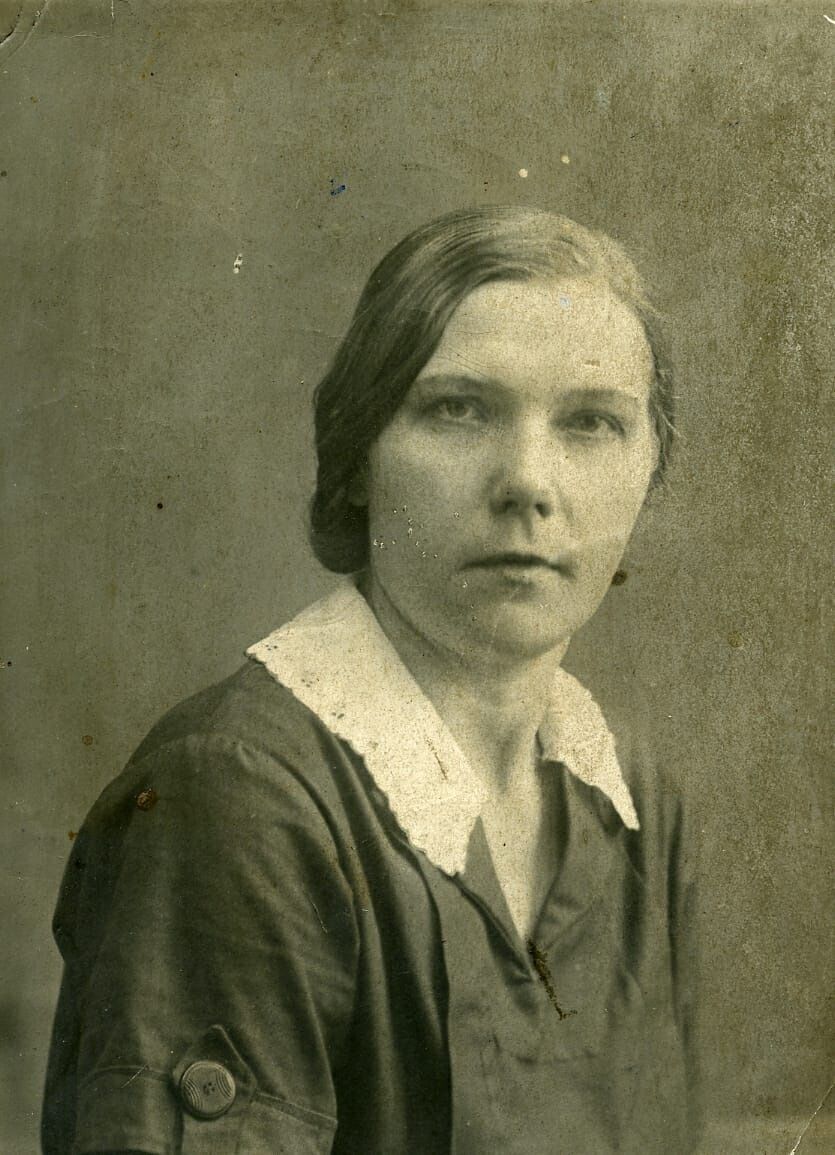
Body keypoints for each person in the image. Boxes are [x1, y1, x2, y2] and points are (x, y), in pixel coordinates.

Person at [42, 205, 702, 1154]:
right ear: (358, 460)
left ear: (649, 470)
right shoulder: (236, 794)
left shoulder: (630, 797)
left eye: (590, 422)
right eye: (458, 409)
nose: (528, 481)